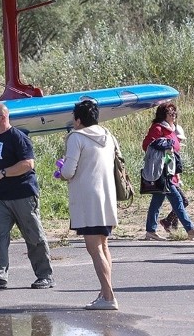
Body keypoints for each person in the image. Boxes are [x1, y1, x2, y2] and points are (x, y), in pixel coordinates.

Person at [0, 102, 54, 290]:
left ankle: (45, 276)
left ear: (2, 117)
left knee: (34, 236)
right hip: (0, 197)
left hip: (23, 195)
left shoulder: (19, 138)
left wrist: (2, 173)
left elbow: (28, 164)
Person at [58, 99, 119, 310]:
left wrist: (61, 170)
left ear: (78, 119)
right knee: (103, 246)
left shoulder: (76, 137)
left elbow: (68, 172)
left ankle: (109, 297)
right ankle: (104, 293)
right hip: (107, 197)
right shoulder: (108, 136)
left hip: (88, 199)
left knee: (94, 249)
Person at [142, 103, 194, 241]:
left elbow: (172, 149)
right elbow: (146, 145)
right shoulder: (158, 128)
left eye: (175, 113)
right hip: (162, 172)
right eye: (170, 113)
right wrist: (164, 145)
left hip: (169, 171)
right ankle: (190, 229)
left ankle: (150, 230)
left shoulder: (170, 129)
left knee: (157, 202)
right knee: (178, 200)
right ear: (163, 115)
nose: (173, 116)